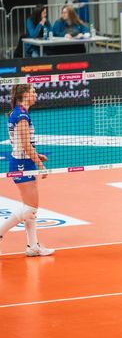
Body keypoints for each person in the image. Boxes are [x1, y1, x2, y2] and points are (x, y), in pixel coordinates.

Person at [0, 85, 54, 257]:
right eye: (33, 92)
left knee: (29, 208)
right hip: (21, 164)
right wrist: (41, 165)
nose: (36, 94)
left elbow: (22, 143)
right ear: (24, 95)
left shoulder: (20, 113)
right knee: (31, 207)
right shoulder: (21, 115)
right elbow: (25, 145)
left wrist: (37, 156)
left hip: (24, 161)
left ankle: (33, 246)